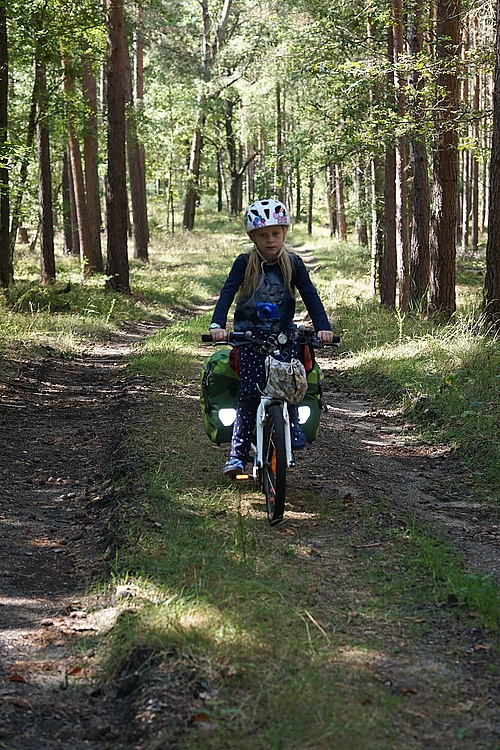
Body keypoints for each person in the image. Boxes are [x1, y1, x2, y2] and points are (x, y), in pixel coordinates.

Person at [209, 198, 334, 477]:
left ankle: (293, 426)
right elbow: (228, 292)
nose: (270, 240)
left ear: (284, 233)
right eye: (263, 235)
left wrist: (322, 326)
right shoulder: (244, 263)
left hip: (282, 334)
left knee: (290, 380)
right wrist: (218, 323)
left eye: (275, 233)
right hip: (248, 336)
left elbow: (310, 296)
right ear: (253, 237)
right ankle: (238, 455)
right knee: (251, 393)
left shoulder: (294, 263)